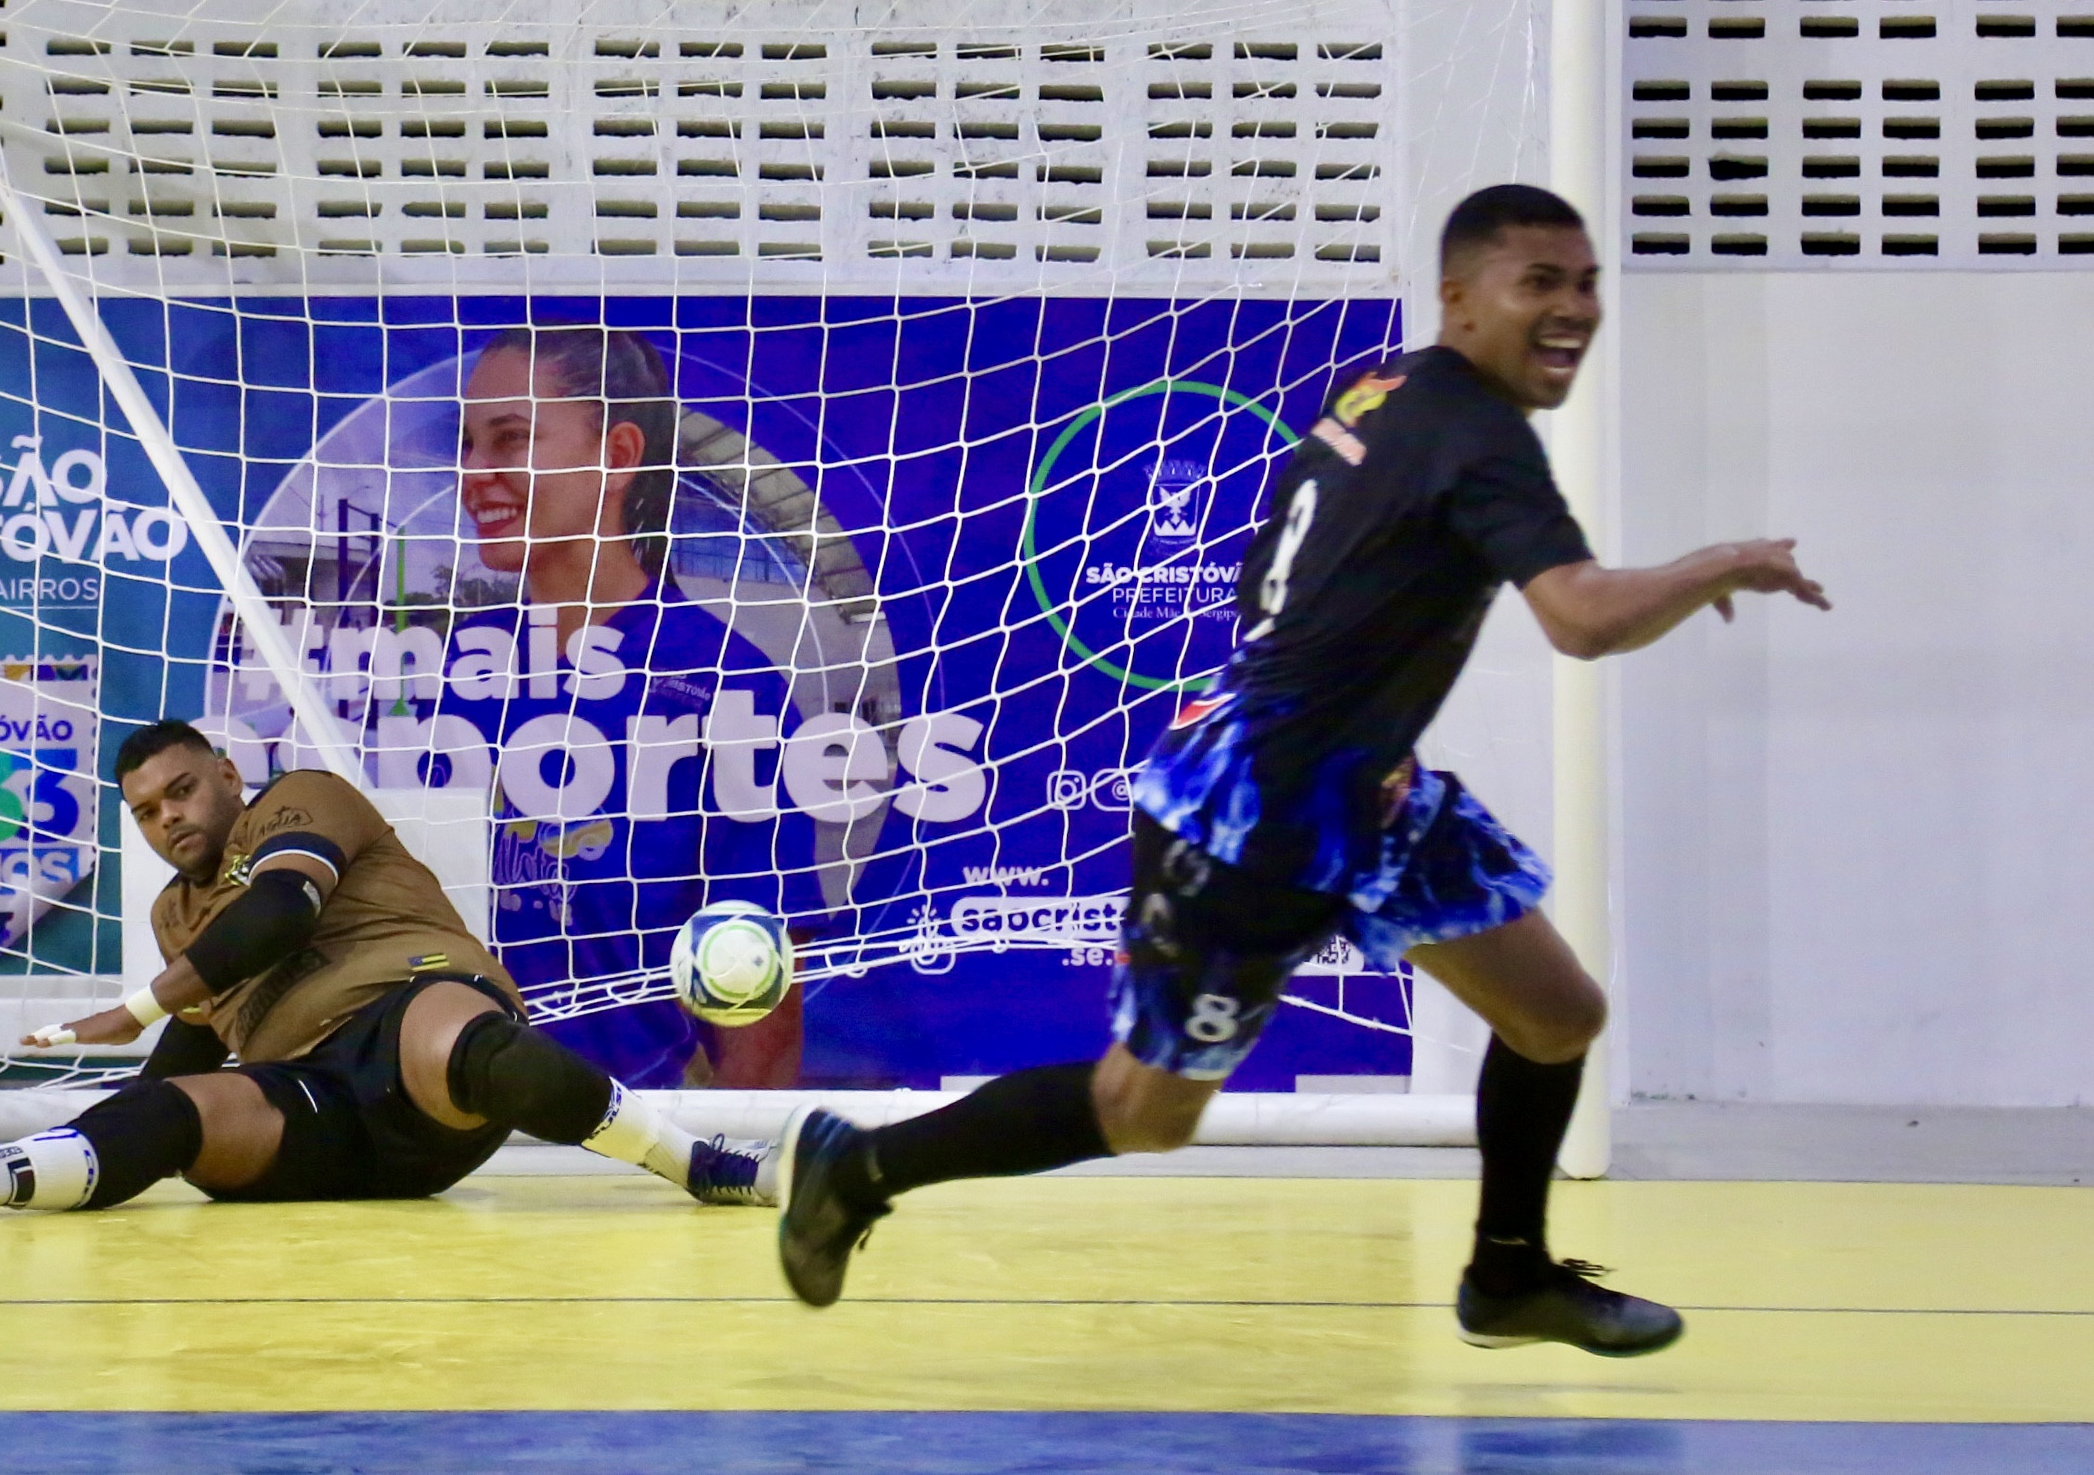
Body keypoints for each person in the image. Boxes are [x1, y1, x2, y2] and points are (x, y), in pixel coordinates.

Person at [774, 184, 1832, 1356]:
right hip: (1255, 817)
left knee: (1555, 1016)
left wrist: (1354, 711)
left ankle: (1510, 1274)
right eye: (1539, 283)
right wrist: (1717, 562)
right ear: (1459, 299)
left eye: (1584, 283)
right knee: (1144, 1113)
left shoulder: (1385, 387)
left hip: (1371, 790)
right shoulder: (1481, 441)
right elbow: (1578, 622)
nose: (1572, 309)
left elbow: (1284, 565)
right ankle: (858, 1165)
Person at [0, 720, 776, 1221]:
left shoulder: (299, 799)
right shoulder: (175, 914)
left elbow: (282, 910)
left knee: (467, 1042)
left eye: (181, 790)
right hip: (311, 1103)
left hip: (412, 1020)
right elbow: (193, 1041)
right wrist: (130, 1114)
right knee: (176, 1115)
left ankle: (699, 1163)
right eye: (144, 811)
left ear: (226, 773)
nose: (167, 818)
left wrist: (135, 1003)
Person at [433, 323, 818, 1089]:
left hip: (635, 1135)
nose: (475, 472)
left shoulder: (723, 679)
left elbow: (758, 981)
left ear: (618, 454)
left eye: (510, 439)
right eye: (468, 443)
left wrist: (728, 1156)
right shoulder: (457, 672)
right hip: (454, 1127)